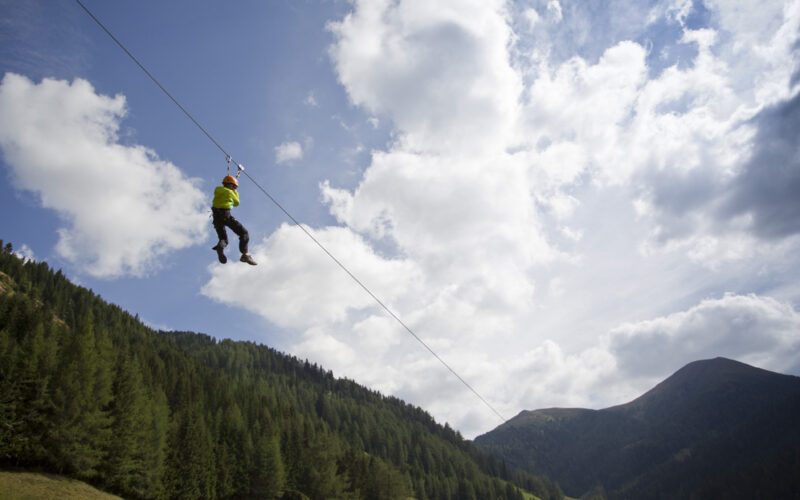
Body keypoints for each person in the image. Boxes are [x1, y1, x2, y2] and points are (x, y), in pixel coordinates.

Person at [211, 175, 257, 265]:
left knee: (223, 239)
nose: (234, 189)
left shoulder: (217, 190)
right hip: (225, 215)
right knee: (244, 233)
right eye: (234, 187)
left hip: (216, 217)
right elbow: (236, 203)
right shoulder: (230, 192)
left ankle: (221, 246)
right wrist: (235, 192)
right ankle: (245, 254)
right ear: (231, 185)